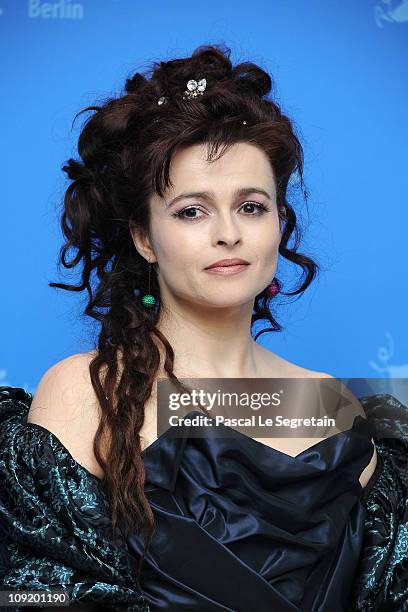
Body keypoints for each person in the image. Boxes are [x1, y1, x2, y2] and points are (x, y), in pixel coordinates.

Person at [0, 44, 407, 612]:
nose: (228, 234)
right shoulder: (89, 391)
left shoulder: (327, 402)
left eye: (252, 206)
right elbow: (35, 595)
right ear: (144, 237)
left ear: (279, 223)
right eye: (192, 210)